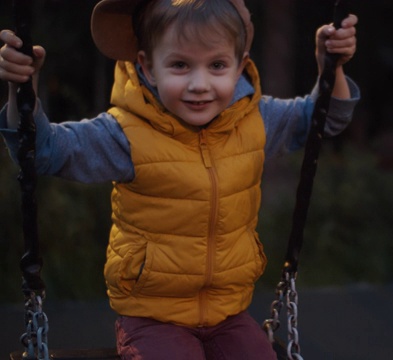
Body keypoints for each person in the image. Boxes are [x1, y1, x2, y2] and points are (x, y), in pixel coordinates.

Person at [0, 0, 359, 358]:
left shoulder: (254, 121)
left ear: (240, 67)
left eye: (217, 65)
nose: (199, 84)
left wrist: (332, 68)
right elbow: (43, 152)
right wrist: (23, 89)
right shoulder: (126, 135)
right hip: (152, 317)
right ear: (148, 67)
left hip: (228, 312)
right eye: (180, 65)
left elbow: (324, 120)